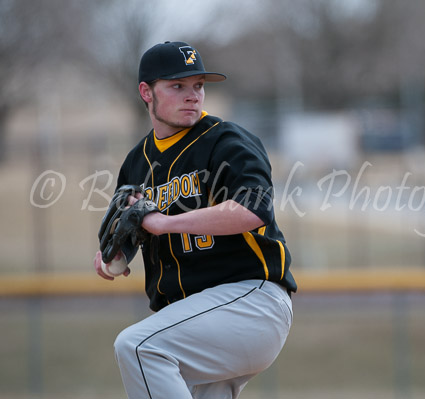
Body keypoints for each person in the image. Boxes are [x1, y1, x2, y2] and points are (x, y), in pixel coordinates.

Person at [93, 41, 297, 399]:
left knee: (139, 348)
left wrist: (165, 223)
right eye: (178, 86)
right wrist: (112, 256)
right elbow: (125, 231)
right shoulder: (136, 163)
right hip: (192, 320)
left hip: (249, 301)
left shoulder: (226, 141)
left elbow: (253, 210)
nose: (193, 96)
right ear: (146, 92)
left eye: (198, 86)